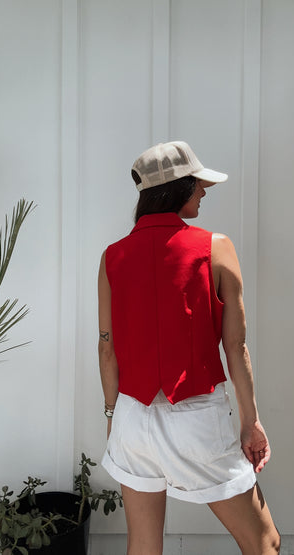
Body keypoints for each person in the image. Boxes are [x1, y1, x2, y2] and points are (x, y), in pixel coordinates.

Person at [98, 141, 280, 555]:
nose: (204, 190)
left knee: (143, 546)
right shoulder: (216, 247)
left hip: (131, 416)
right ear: (177, 188)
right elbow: (236, 345)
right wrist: (251, 422)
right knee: (264, 542)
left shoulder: (112, 257)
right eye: (198, 183)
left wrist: (113, 417)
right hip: (196, 416)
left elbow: (106, 349)